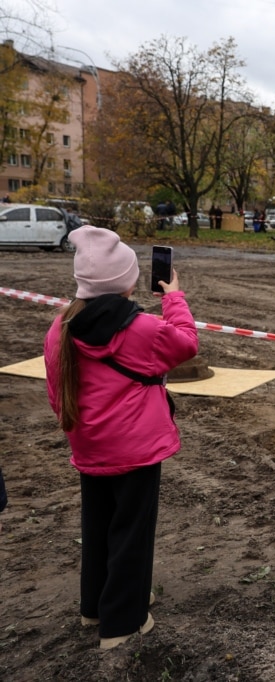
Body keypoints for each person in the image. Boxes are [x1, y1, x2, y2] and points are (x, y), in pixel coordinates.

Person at [43, 226, 198, 650]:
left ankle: (94, 605)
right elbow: (186, 344)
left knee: (98, 526)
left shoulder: (61, 327)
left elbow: (57, 393)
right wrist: (174, 297)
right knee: (132, 530)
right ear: (127, 281)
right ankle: (122, 623)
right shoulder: (143, 329)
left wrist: (81, 433)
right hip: (137, 449)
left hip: (89, 447)